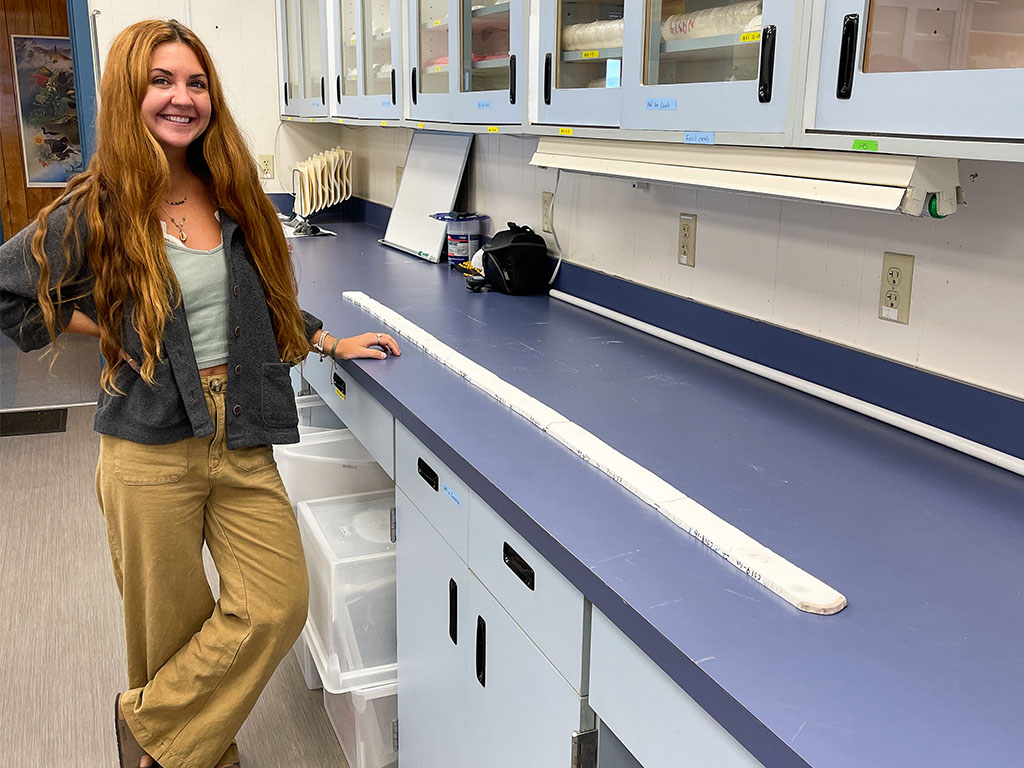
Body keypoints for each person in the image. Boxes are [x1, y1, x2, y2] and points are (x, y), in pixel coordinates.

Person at [0, 19, 400, 768]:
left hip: (240, 425)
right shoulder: (98, 205)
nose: (183, 98)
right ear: (129, 92)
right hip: (149, 441)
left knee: (277, 601)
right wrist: (110, 328)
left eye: (195, 81)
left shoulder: (230, 190)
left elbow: (257, 300)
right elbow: (10, 292)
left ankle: (147, 732)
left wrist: (328, 340)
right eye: (161, 81)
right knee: (171, 631)